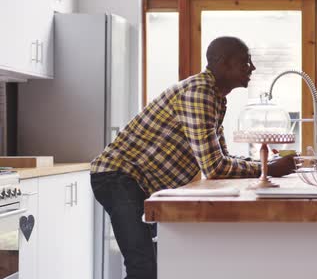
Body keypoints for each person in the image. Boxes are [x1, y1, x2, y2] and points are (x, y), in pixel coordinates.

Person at [90, 36, 295, 279]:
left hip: (136, 181)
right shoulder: (199, 93)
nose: (252, 67)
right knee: (142, 268)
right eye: (245, 61)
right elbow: (215, 167)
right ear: (222, 63)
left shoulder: (216, 97)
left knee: (155, 265)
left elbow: (221, 158)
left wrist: (265, 166)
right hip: (117, 177)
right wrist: (268, 170)